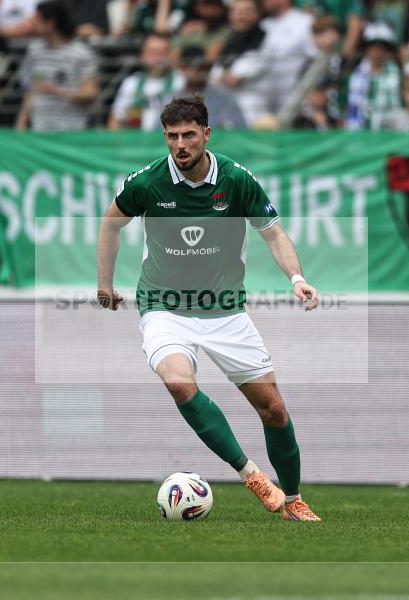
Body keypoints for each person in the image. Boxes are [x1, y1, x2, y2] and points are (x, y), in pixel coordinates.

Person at [97, 96, 323, 522]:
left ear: (206, 134)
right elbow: (111, 223)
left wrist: (297, 278)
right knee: (180, 384)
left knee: (272, 408)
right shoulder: (147, 182)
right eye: (171, 137)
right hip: (163, 307)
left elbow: (273, 234)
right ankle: (252, 475)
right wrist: (104, 284)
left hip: (225, 311)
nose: (180, 145)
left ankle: (293, 498)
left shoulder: (237, 179)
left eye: (188, 135)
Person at [16, 0, 99, 131]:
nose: (32, 22)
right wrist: (21, 123)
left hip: (70, 131)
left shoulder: (81, 53)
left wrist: (58, 91)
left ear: (50, 23)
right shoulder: (34, 50)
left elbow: (91, 93)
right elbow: (31, 89)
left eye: (37, 18)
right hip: (39, 129)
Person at [108, 32, 185, 130]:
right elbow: (115, 119)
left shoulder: (180, 81)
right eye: (153, 52)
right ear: (143, 56)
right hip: (137, 141)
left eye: (163, 53)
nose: (158, 58)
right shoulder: (131, 83)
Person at [210, 0, 268, 125]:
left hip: (254, 115)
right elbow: (213, 77)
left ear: (258, 14)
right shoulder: (227, 42)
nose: (242, 16)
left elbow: (235, 79)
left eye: (247, 11)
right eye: (237, 11)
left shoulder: (266, 39)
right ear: (230, 15)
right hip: (227, 114)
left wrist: (223, 76)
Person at [344, 21, 400, 130]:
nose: (377, 52)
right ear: (367, 49)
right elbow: (348, 107)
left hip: (388, 133)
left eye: (381, 48)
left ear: (387, 50)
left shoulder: (397, 75)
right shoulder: (355, 73)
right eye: (373, 47)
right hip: (357, 134)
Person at [176, 45, 245, 129]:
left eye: (202, 67)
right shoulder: (173, 100)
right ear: (181, 68)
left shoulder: (223, 96)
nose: (196, 72)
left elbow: (240, 128)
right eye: (190, 67)